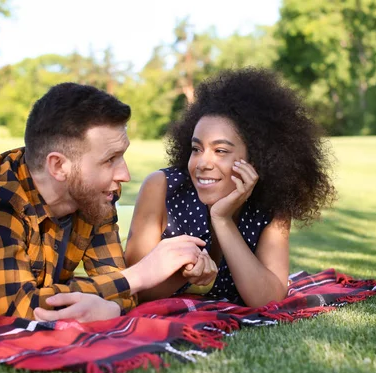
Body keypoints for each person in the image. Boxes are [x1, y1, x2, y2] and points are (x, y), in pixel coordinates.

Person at [0, 83, 204, 322]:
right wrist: (138, 276)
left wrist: (108, 306)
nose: (124, 174)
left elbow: (115, 287)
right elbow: (18, 305)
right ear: (58, 167)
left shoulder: (97, 194)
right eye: (110, 159)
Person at [124, 68, 336, 307]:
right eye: (197, 149)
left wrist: (222, 219)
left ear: (255, 160)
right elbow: (132, 289)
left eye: (221, 151)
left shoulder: (273, 203)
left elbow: (267, 300)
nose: (203, 163)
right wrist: (186, 277)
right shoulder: (162, 187)